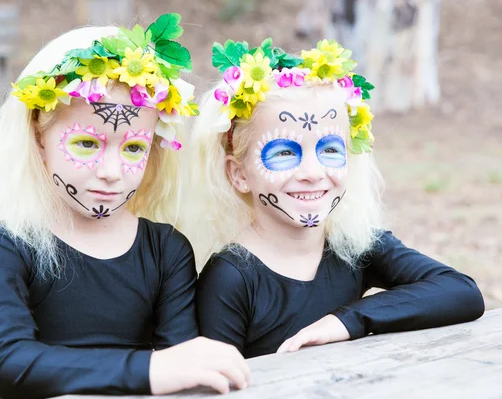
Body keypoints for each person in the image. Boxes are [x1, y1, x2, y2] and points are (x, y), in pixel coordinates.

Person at [0, 15, 250, 399]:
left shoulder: (167, 250)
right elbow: (11, 366)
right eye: (86, 143)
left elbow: (181, 363)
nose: (111, 172)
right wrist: (149, 369)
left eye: (134, 148)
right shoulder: (5, 247)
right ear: (38, 139)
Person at [187, 38, 485, 359]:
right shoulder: (231, 277)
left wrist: (345, 320)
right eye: (286, 152)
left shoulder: (354, 246)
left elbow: (461, 292)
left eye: (329, 150)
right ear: (239, 174)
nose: (313, 172)